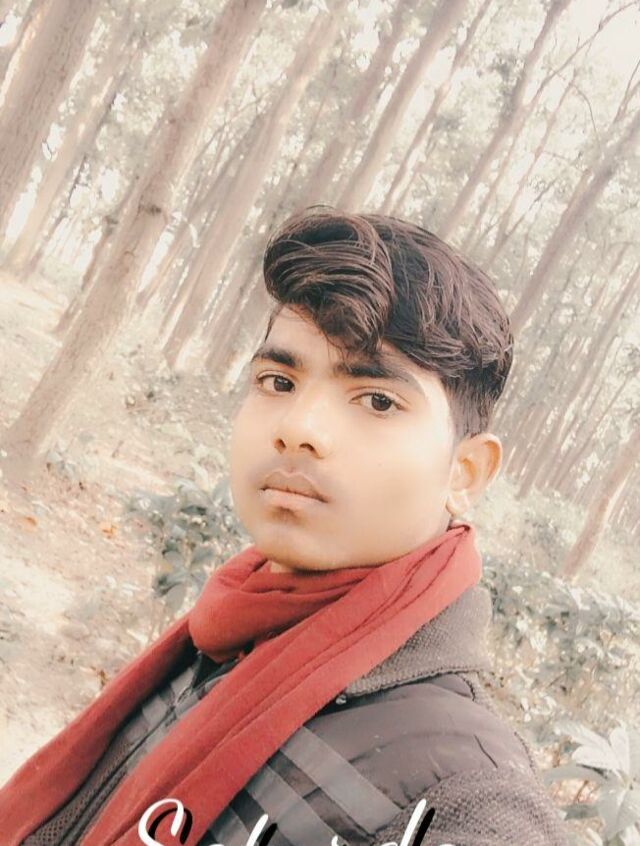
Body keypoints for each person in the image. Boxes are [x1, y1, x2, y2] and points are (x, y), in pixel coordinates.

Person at [0, 207, 570, 845]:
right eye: (278, 381)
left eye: (377, 400)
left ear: (465, 472)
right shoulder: (225, 636)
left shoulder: (470, 799)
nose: (299, 428)